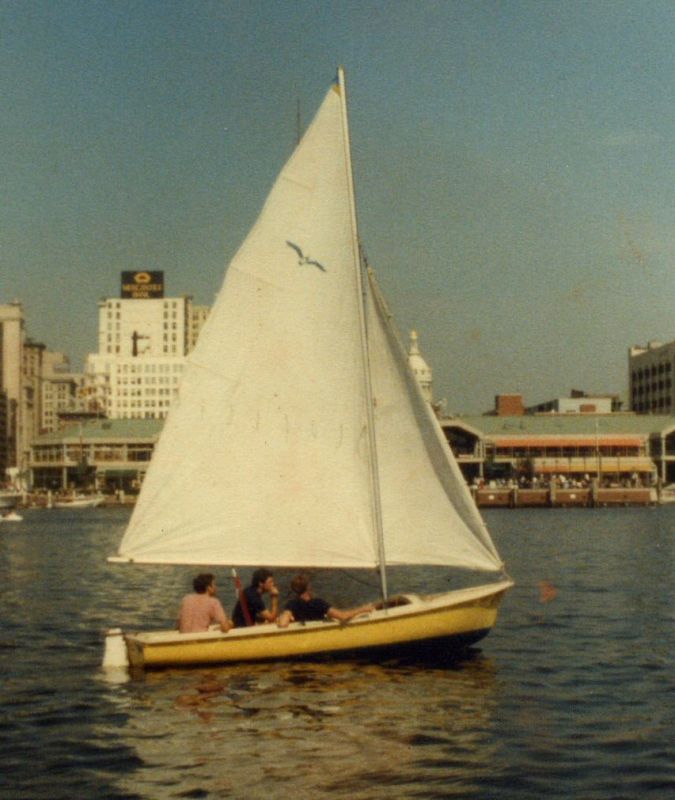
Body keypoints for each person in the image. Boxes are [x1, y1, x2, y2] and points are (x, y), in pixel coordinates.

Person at [277, 574, 375, 628]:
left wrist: (282, 617)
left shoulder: (291, 604)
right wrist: (363, 609)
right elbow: (343, 616)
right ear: (308, 588)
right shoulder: (318, 603)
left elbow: (283, 624)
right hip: (317, 632)